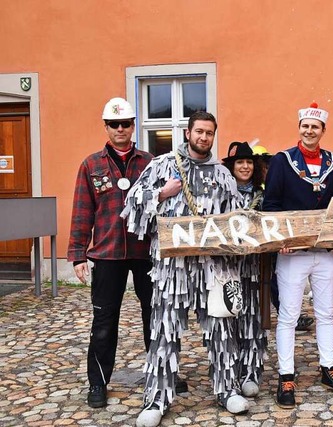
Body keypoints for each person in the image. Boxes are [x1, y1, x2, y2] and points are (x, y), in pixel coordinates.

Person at [121, 111, 249, 427]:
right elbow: (132, 202)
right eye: (199, 132)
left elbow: (234, 221)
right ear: (188, 132)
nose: (204, 138)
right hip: (171, 268)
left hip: (212, 267)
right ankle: (156, 400)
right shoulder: (162, 166)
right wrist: (162, 193)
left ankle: (228, 389)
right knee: (164, 331)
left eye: (209, 133)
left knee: (221, 328)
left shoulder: (222, 175)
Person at [262, 102, 333, 409]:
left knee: (326, 313)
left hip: (324, 251)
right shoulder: (282, 160)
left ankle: (328, 367)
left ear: (323, 131)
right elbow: (271, 203)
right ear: (299, 128)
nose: (309, 131)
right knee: (288, 316)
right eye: (305, 126)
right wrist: (280, 240)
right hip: (293, 252)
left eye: (315, 127)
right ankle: (286, 375)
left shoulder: (332, 162)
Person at [67, 97, 158, 409]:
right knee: (103, 323)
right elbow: (82, 211)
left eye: (126, 123)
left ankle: (161, 375)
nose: (120, 129)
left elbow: (166, 207)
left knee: (155, 317)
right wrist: (78, 253)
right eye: (114, 124)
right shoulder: (90, 165)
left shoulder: (150, 162)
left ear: (134, 126)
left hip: (146, 251)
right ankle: (98, 382)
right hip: (107, 254)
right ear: (105, 127)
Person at [222, 141, 268, 396]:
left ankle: (251, 372)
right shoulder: (221, 195)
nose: (245, 166)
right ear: (232, 167)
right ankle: (230, 370)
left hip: (254, 268)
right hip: (227, 268)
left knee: (252, 320)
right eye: (240, 162)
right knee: (229, 319)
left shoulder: (263, 195)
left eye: (249, 162)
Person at [253, 144, 315, 332]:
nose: (266, 169)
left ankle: (285, 314)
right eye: (263, 165)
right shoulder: (255, 188)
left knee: (273, 280)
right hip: (257, 241)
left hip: (273, 240)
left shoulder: (270, 182)